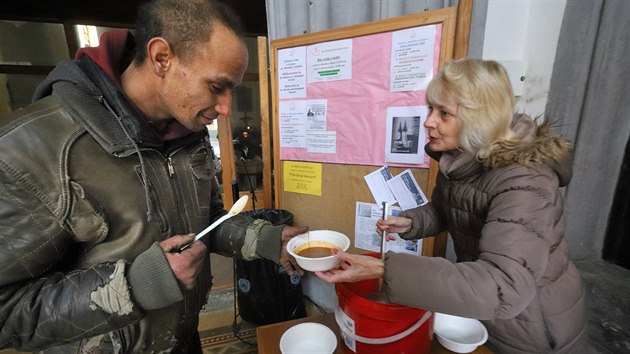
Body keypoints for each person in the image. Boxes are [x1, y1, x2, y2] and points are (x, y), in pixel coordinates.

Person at [0, 0, 307, 353]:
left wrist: (267, 240)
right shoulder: (31, 150)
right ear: (162, 57)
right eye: (217, 86)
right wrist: (137, 285)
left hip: (183, 338)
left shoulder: (187, 135)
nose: (226, 108)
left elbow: (204, 225)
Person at [316, 59, 587, 353]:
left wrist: (383, 269)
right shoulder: (464, 157)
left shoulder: (526, 182)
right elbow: (449, 211)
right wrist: (411, 222)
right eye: (430, 109)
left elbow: (504, 287)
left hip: (531, 322)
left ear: (480, 119)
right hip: (484, 306)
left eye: (444, 113)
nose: (429, 121)